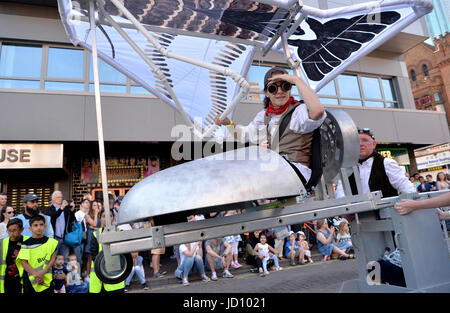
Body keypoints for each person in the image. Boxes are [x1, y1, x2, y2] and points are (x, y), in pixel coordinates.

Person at [215, 67, 326, 184]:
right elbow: (244, 135)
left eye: (285, 86)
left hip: (296, 172)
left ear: (290, 89)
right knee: (231, 167)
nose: (280, 91)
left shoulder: (299, 111)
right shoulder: (264, 116)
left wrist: (296, 80)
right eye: (273, 88)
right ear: (267, 93)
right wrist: (228, 123)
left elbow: (318, 112)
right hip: (274, 168)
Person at [335, 129, 416, 199]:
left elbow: (408, 189)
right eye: (356, 141)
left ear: (374, 144)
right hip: (358, 216)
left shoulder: (387, 163)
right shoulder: (347, 168)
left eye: (365, 140)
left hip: (387, 215)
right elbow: (341, 194)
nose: (360, 144)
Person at [16, 215, 58, 294]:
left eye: (41, 224)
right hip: (30, 279)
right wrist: (36, 275)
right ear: (30, 228)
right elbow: (24, 262)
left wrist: (42, 273)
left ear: (45, 226)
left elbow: (52, 259)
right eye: (35, 225)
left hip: (47, 279)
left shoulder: (51, 242)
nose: (39, 227)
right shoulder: (26, 244)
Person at [89, 209, 125, 293]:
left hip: (116, 279)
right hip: (98, 280)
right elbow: (94, 257)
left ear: (113, 218)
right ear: (100, 218)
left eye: (110, 216)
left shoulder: (120, 233)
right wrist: (103, 275)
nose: (107, 219)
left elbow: (123, 256)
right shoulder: (96, 235)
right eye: (104, 216)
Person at [43, 191, 76, 262]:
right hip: (54, 237)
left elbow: (71, 220)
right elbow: (53, 217)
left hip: (65, 237)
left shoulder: (66, 208)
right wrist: (61, 209)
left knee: (64, 258)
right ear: (53, 199)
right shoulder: (49, 209)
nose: (60, 199)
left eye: (61, 197)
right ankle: (53, 273)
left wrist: (72, 210)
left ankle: (62, 273)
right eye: (58, 197)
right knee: (53, 258)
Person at [0, 219, 28, 294]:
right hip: (6, 279)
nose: (11, 233)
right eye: (9, 231)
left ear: (21, 230)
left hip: (22, 279)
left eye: (14, 230)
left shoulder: (28, 241)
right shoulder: (2, 242)